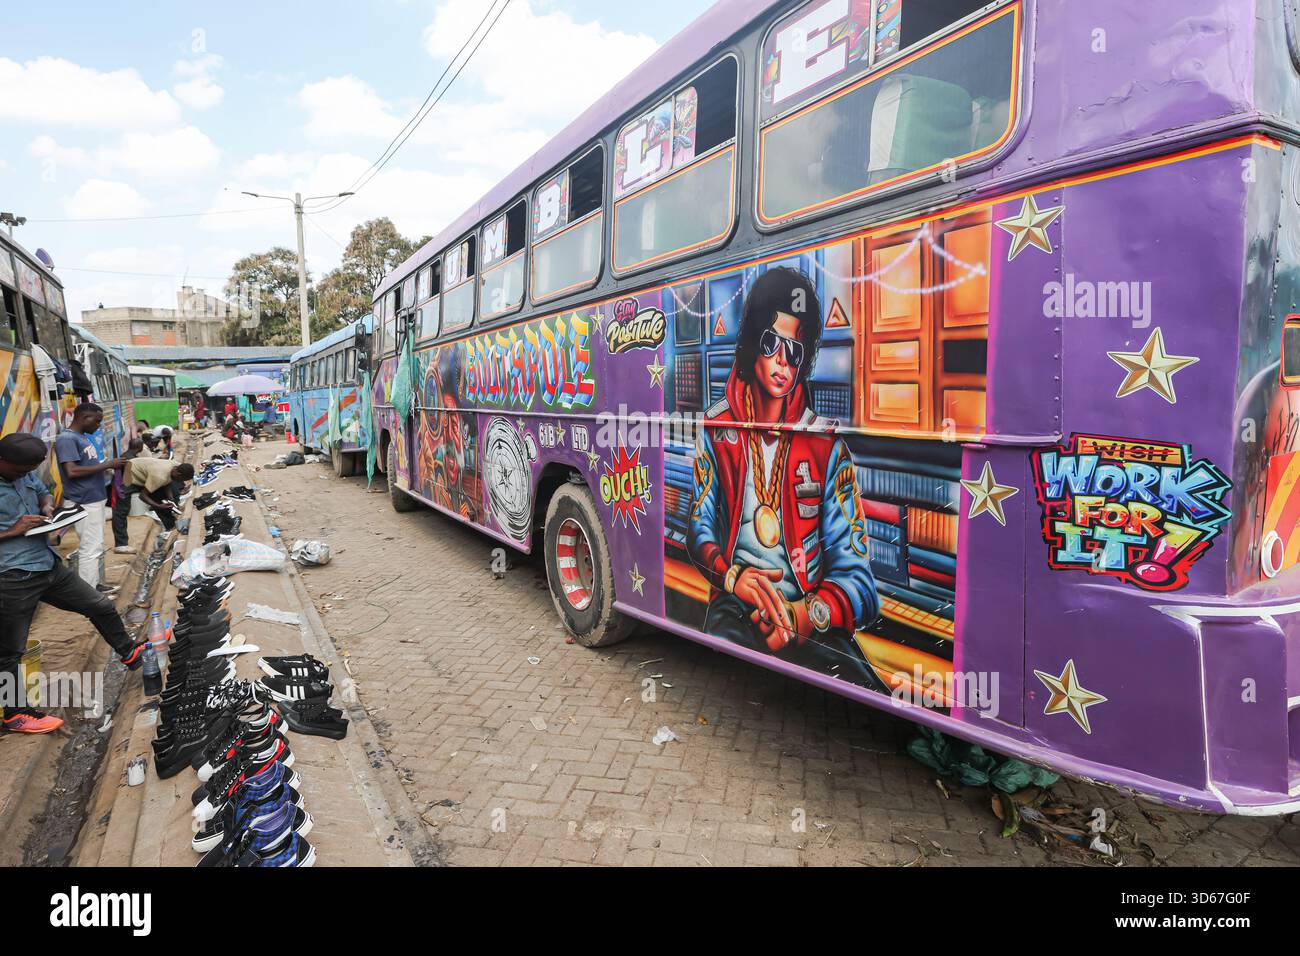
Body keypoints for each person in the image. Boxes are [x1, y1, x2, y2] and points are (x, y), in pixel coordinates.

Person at [687, 267, 883, 692]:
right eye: (772, 343)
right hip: (736, 603)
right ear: (752, 342)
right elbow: (698, 529)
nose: (782, 361)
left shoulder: (825, 446)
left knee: (880, 697)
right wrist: (732, 576)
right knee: (727, 679)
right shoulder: (718, 429)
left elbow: (861, 584)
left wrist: (808, 614)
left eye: (795, 351)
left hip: (807, 611)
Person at [0, 433, 146, 734]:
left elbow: (42, 490)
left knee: (100, 605)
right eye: (20, 469)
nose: (25, 474)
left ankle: (129, 652)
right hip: (12, 577)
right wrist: (12, 531)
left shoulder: (25, 474)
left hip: (47, 564)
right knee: (10, 651)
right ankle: (15, 714)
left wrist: (47, 508)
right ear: (3, 460)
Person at [54, 403, 127, 592]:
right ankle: (90, 592)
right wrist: (107, 465)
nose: (99, 425)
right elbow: (72, 471)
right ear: (84, 417)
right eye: (97, 421)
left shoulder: (81, 437)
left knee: (95, 545)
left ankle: (94, 584)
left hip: (93, 498)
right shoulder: (67, 439)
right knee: (90, 548)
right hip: (84, 500)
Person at [123, 457, 193, 530]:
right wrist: (159, 506)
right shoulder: (159, 476)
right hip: (129, 472)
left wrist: (171, 499)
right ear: (179, 474)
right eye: (181, 480)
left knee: (170, 492)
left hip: (139, 466)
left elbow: (167, 481)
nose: (179, 482)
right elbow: (142, 496)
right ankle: (170, 526)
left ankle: (171, 522)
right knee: (157, 497)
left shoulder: (175, 466)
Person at [110, 436, 144, 554]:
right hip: (121, 491)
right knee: (120, 515)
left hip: (121, 489)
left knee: (120, 515)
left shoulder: (126, 455)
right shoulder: (130, 460)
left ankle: (122, 542)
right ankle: (121, 544)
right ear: (140, 447)